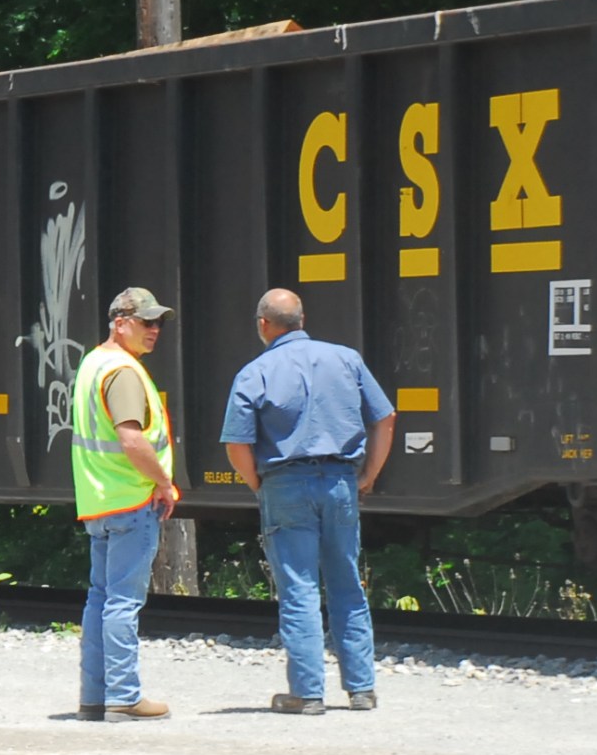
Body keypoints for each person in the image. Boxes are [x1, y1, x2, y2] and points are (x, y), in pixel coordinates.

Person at [220, 288, 395, 716]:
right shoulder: (346, 358)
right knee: (347, 583)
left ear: (264, 325)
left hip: (285, 483)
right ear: (302, 318)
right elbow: (385, 417)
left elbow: (237, 444)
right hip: (340, 481)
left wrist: (257, 484)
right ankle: (361, 689)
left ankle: (308, 694)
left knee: (299, 588)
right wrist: (369, 474)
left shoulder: (255, 371)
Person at [70, 287, 181, 721]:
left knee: (100, 600)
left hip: (99, 502)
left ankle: (94, 698)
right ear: (120, 322)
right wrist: (164, 483)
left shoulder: (92, 365)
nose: (155, 330)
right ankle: (124, 696)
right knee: (122, 603)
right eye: (146, 322)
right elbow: (131, 437)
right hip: (131, 500)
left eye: (158, 323)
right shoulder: (123, 371)